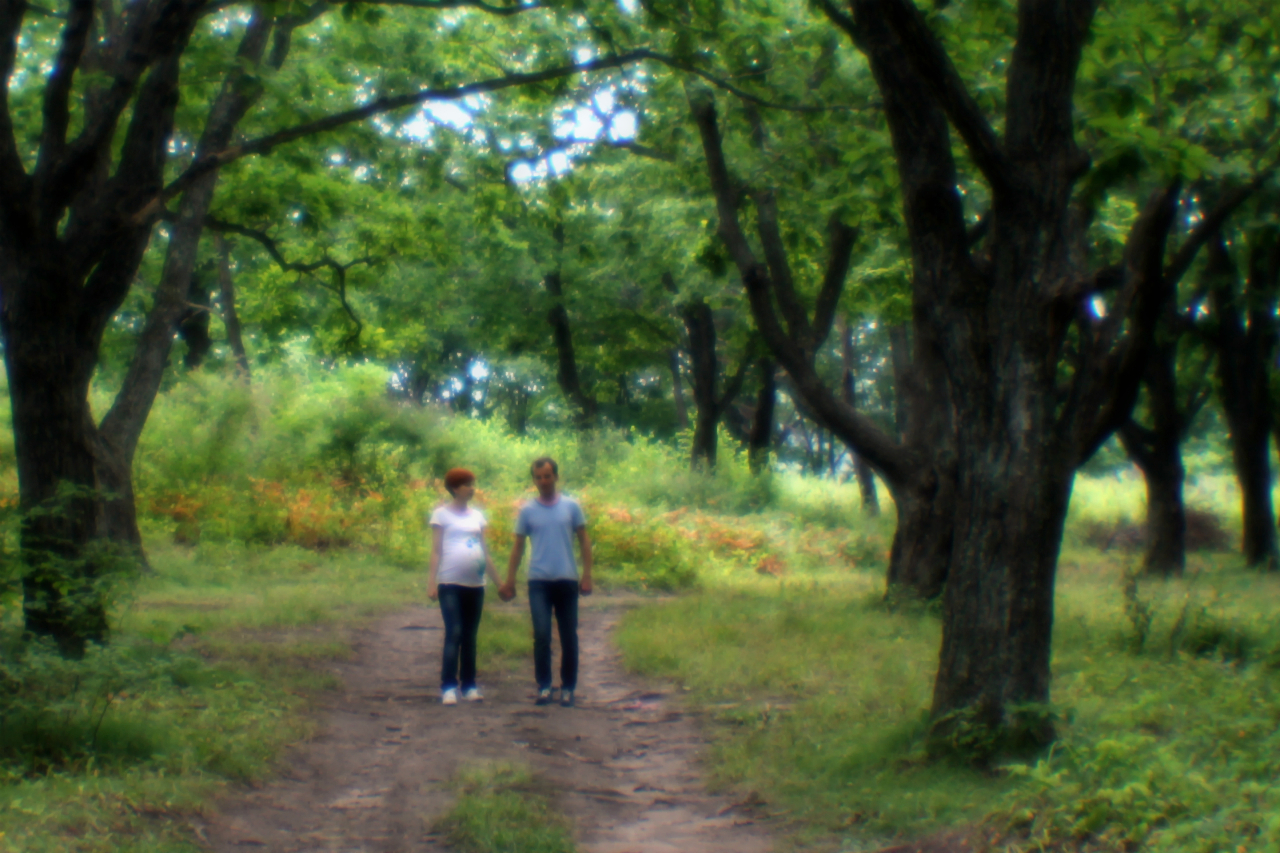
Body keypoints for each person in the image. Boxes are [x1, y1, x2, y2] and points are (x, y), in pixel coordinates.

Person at [500, 457, 593, 707]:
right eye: (538, 477)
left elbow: (584, 540)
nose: (543, 481)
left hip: (567, 579)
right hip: (538, 580)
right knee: (541, 634)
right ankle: (544, 686)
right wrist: (510, 580)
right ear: (534, 480)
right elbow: (518, 546)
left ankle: (568, 687)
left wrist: (587, 574)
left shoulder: (571, 506)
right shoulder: (528, 510)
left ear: (556, 477)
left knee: (568, 635)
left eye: (547, 476)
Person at [427, 468, 502, 705]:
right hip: (449, 582)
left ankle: (469, 685)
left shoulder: (477, 516)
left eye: (472, 484)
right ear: (454, 488)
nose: (471, 488)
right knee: (455, 631)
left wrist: (500, 583)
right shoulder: (441, 515)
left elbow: (485, 553)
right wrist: (431, 581)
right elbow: (436, 550)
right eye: (466, 484)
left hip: (475, 584)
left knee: (470, 635)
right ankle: (448, 685)